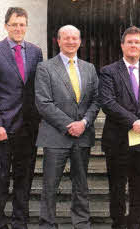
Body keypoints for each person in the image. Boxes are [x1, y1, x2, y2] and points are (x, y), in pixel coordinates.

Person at [0, 7, 43, 229]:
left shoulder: (36, 52)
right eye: (14, 24)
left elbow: (36, 88)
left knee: (23, 182)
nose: (18, 28)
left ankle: (20, 223)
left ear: (27, 26)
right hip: (1, 129)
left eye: (22, 24)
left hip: (28, 129)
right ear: (6, 26)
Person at [35, 25, 100, 229]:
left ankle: (81, 223)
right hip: (56, 135)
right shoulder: (45, 68)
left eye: (75, 38)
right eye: (66, 38)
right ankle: (47, 224)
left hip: (83, 135)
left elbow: (97, 100)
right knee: (50, 185)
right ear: (58, 41)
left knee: (81, 185)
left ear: (80, 41)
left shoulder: (89, 68)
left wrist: (84, 123)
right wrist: (68, 125)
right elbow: (43, 102)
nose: (71, 41)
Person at [98, 26, 140, 229]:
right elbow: (108, 102)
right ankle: (118, 224)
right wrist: (134, 121)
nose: (133, 46)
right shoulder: (108, 71)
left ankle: (136, 224)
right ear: (122, 45)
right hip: (117, 141)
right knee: (116, 188)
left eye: (137, 43)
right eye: (130, 42)